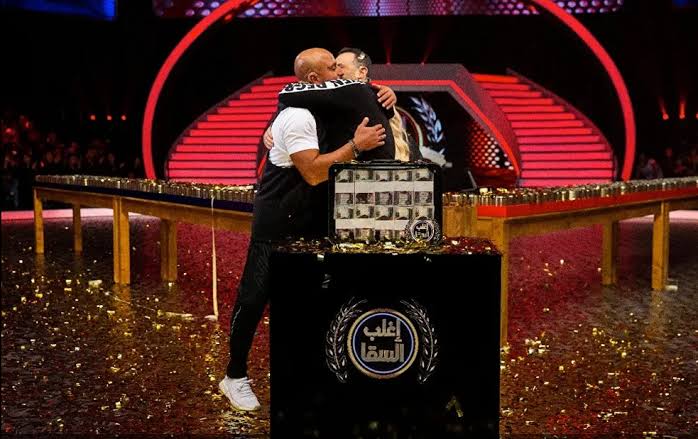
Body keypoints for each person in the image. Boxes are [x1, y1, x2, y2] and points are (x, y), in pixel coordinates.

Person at [219, 48, 392, 411]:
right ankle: (234, 376)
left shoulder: (325, 106)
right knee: (254, 298)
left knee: (309, 300)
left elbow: (364, 105)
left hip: (311, 220)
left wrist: (388, 98)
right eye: (333, 68)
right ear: (314, 79)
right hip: (277, 220)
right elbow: (313, 172)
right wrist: (355, 146)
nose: (340, 72)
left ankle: (309, 376)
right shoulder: (296, 115)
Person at [336, 47, 422, 162]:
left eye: (340, 66)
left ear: (361, 72)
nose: (335, 72)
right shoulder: (330, 111)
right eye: (333, 68)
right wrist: (356, 146)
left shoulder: (385, 107)